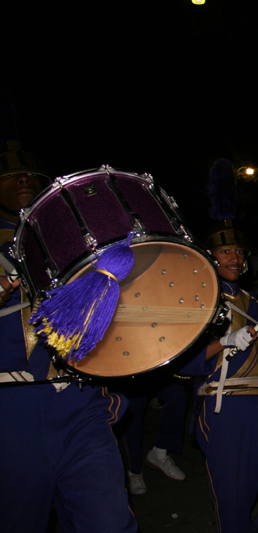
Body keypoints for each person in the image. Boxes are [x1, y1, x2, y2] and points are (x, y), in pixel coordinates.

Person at [0, 140, 138, 532]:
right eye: (9, 174)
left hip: (81, 403)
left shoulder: (74, 240)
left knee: (110, 523)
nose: (23, 178)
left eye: (30, 174)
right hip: (11, 409)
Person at [179, 216, 258, 533]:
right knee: (235, 502)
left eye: (238, 251)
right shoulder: (195, 302)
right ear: (207, 256)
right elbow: (181, 365)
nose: (234, 258)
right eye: (225, 252)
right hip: (228, 407)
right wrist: (222, 341)